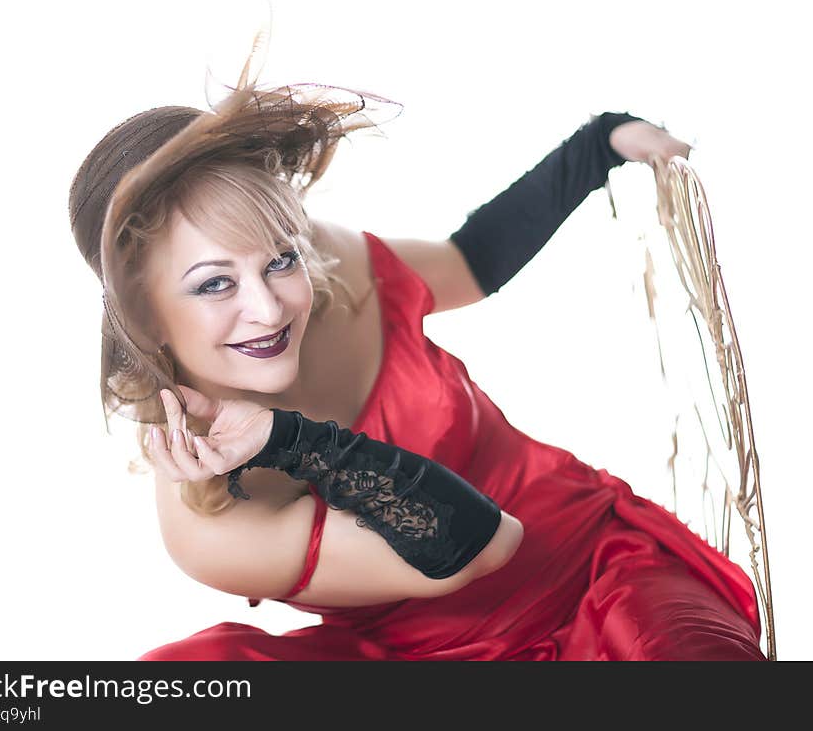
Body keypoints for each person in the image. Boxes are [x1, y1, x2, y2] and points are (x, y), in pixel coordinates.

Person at [68, 47, 766, 661]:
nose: (270, 305)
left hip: (592, 568)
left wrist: (595, 147)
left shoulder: (323, 267)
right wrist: (290, 443)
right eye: (214, 283)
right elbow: (466, 548)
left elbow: (469, 261)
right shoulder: (203, 521)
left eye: (278, 258)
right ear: (145, 318)